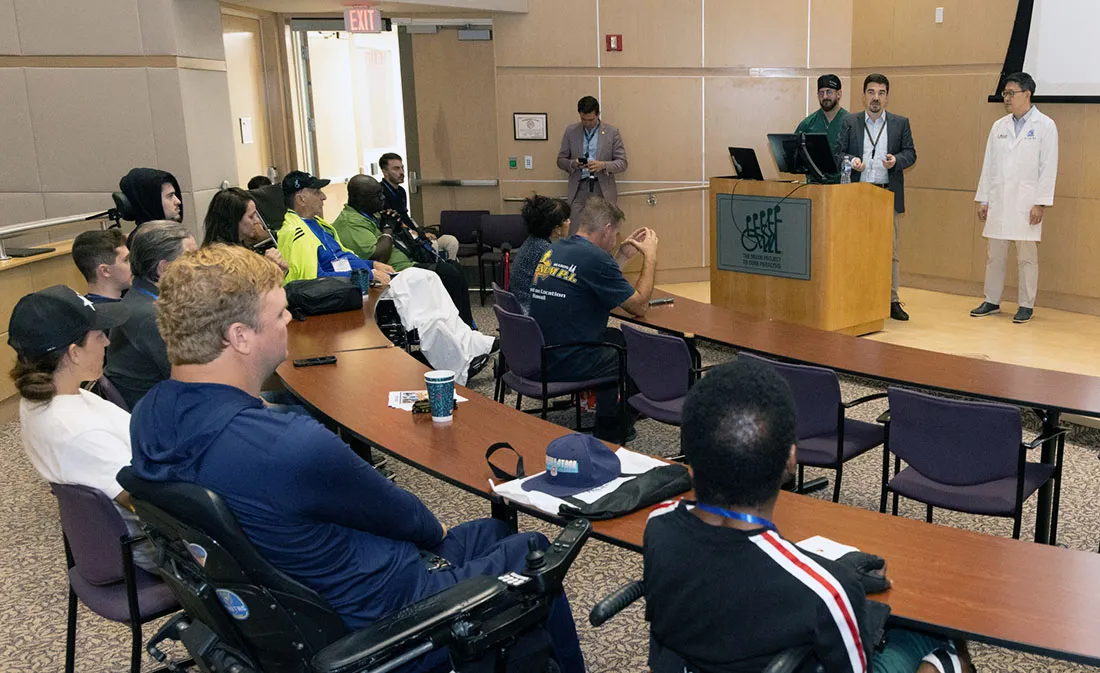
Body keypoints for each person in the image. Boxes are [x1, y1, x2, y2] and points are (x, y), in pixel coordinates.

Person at [128, 244, 584, 673]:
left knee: (493, 530)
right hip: (384, 621)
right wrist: (434, 534)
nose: (290, 318)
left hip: (289, 616)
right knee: (532, 552)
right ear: (240, 336)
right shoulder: (291, 446)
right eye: (280, 310)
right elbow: (413, 521)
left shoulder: (148, 416)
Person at [644, 359, 972, 673]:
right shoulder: (829, 590)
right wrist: (833, 581)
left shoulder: (658, 524)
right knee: (945, 640)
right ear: (790, 459)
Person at [7, 285, 156, 570]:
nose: (107, 343)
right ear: (74, 353)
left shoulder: (42, 398)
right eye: (99, 336)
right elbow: (148, 506)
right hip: (150, 549)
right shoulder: (79, 432)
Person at [528, 197, 657, 443]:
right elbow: (639, 305)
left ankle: (609, 415)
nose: (617, 238)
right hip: (567, 359)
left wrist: (621, 256)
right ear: (607, 229)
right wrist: (650, 258)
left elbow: (594, 281)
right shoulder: (596, 259)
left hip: (540, 351)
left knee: (617, 339)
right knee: (635, 353)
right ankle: (612, 428)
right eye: (616, 234)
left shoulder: (556, 248)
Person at [971, 72, 1058, 325]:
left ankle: (1026, 304)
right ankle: (991, 300)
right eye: (1005, 93)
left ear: (1027, 94)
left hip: (1027, 202)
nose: (1006, 98)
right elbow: (989, 165)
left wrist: (1040, 202)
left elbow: (1048, 166)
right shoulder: (999, 126)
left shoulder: (1046, 125)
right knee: (995, 254)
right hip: (999, 198)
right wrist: (984, 199)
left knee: (1027, 256)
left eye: (1011, 93)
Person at [332, 174, 474, 327]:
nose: (382, 198)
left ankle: (466, 326)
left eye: (381, 193)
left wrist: (395, 223)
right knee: (448, 274)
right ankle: (457, 328)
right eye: (377, 195)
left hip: (406, 264)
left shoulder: (369, 214)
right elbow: (379, 257)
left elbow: (395, 232)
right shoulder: (351, 223)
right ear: (359, 198)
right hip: (390, 274)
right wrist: (388, 228)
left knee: (456, 268)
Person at [834, 74, 917, 322]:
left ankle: (891, 300)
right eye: (871, 92)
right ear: (864, 95)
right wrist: (851, 161)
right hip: (858, 194)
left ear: (887, 97)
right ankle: (856, 296)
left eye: (881, 93)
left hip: (886, 192)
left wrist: (896, 161)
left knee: (889, 250)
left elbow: (911, 153)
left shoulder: (900, 123)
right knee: (855, 247)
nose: (876, 98)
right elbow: (838, 154)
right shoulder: (850, 122)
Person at [104, 221, 197, 410]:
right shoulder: (150, 315)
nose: (200, 266)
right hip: (164, 418)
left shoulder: (142, 297)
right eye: (192, 258)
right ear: (163, 269)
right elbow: (197, 380)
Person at [275, 170, 393, 285]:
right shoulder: (296, 233)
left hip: (357, 286)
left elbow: (338, 257)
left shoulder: (318, 224)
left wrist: (371, 265)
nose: (324, 197)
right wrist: (367, 276)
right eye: (317, 192)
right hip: (343, 297)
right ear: (301, 199)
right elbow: (314, 280)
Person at [557, 96, 627, 233]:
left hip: (602, 189)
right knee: (575, 231)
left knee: (603, 232)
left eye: (591, 120)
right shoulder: (571, 131)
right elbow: (560, 160)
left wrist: (603, 165)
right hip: (579, 188)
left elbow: (622, 163)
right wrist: (573, 163)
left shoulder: (612, 133)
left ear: (598, 114)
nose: (587, 123)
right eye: (583, 119)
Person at [377, 153, 459, 260]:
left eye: (402, 168)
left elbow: (405, 217)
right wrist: (420, 235)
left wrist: (422, 233)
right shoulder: (380, 193)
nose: (402, 172)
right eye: (396, 169)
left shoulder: (401, 191)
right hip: (401, 238)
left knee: (450, 241)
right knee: (432, 245)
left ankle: (450, 269)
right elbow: (393, 223)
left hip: (413, 233)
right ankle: (439, 271)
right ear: (385, 172)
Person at [201, 187, 288, 272]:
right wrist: (267, 266)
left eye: (256, 215)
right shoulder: (220, 260)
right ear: (233, 221)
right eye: (251, 216)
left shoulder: (240, 247)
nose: (257, 221)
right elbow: (244, 284)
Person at [510, 195, 571, 312]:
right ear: (557, 228)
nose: (569, 222)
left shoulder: (533, 242)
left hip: (519, 305)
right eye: (566, 219)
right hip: (530, 309)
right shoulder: (545, 250)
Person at [795, 74, 850, 184]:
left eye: (829, 92)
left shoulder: (851, 122)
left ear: (839, 94)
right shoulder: (808, 124)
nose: (825, 97)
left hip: (842, 187)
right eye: (821, 93)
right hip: (814, 186)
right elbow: (795, 154)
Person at [118, 167, 183, 247]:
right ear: (152, 201)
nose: (178, 201)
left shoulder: (170, 235)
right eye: (170, 196)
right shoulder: (149, 244)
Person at [71, 228, 132, 303]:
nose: (134, 265)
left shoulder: (83, 308)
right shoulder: (116, 313)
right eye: (126, 260)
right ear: (105, 270)